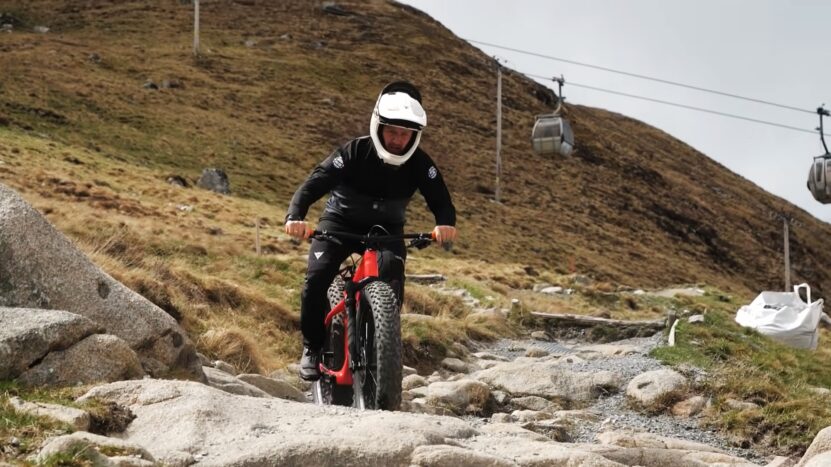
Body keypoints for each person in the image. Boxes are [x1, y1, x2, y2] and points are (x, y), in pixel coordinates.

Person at [284, 81, 457, 381]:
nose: (398, 140)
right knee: (317, 278)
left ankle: (383, 345)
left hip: (387, 230)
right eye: (392, 131)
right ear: (379, 126)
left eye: (405, 134)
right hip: (340, 223)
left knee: (391, 279)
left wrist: (445, 224)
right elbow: (314, 184)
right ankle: (312, 347)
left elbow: (441, 200)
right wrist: (295, 215)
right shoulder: (353, 151)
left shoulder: (420, 163)